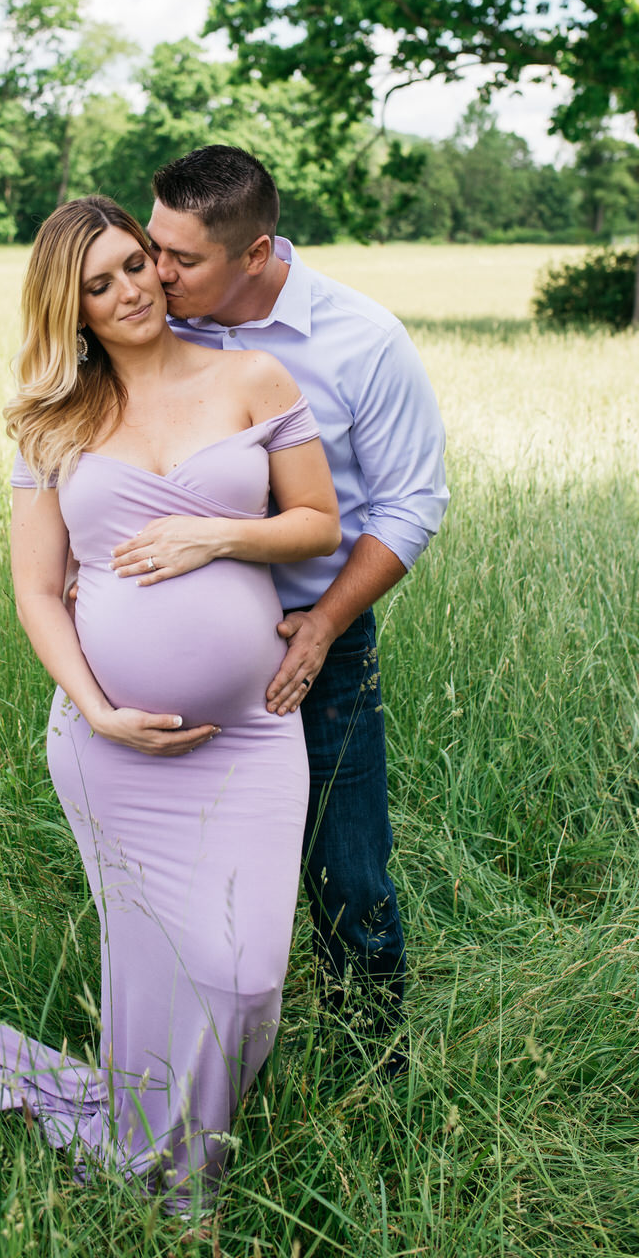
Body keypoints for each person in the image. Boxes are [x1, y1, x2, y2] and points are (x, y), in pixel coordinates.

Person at [0, 195, 340, 1213]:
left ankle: (145, 1138)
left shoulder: (248, 377)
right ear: (71, 308)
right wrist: (97, 708)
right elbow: (39, 590)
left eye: (137, 264)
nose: (131, 289)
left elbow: (315, 520)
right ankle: (180, 1195)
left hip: (253, 738)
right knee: (164, 974)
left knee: (248, 976)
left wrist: (218, 536)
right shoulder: (54, 423)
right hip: (114, 750)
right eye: (101, 283)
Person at [146, 145, 449, 1060]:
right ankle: (198, 1067)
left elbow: (411, 502)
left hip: (317, 653)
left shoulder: (362, 338)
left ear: (256, 252)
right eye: (153, 246)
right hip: (177, 658)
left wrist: (324, 623)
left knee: (347, 877)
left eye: (181, 259)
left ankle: (370, 1080)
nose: (156, 274)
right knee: (190, 880)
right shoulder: (153, 327)